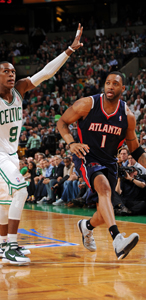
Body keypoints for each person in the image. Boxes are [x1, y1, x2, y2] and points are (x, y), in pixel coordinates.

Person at [57, 71, 146, 260]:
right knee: (104, 188)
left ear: (122, 88)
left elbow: (135, 149)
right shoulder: (86, 104)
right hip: (86, 155)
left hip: (109, 161)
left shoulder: (128, 116)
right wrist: (71, 142)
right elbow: (62, 122)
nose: (110, 86)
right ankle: (117, 239)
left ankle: (86, 226)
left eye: (115, 84)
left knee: (103, 210)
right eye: (108, 83)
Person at [0, 23, 83, 264]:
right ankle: (11, 247)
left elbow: (46, 73)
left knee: (5, 203)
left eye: (13, 71)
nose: (11, 74)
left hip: (11, 154)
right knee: (21, 191)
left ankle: (3, 245)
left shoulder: (19, 90)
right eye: (5, 71)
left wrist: (69, 50)